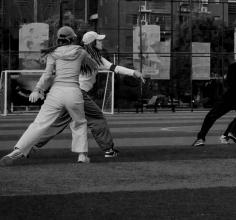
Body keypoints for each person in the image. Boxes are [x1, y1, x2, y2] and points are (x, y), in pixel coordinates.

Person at [33, 31, 145, 158]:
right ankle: (108, 150)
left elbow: (114, 67)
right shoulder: (91, 57)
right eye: (98, 40)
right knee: (97, 118)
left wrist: (134, 73)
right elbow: (114, 68)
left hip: (67, 93)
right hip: (78, 94)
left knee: (58, 122)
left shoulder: (89, 56)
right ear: (92, 43)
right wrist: (134, 73)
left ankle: (31, 145)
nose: (101, 41)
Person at [0, 26, 99, 166]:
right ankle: (82, 155)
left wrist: (37, 89)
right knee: (79, 123)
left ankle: (18, 149)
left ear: (59, 39)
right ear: (72, 38)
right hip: (73, 92)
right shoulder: (80, 52)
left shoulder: (53, 53)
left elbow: (47, 75)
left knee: (39, 123)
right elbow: (94, 65)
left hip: (56, 92)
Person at [192, 45, 236, 146]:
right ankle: (228, 134)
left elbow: (227, 82)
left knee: (211, 116)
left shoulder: (232, 67)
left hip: (230, 96)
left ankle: (201, 138)